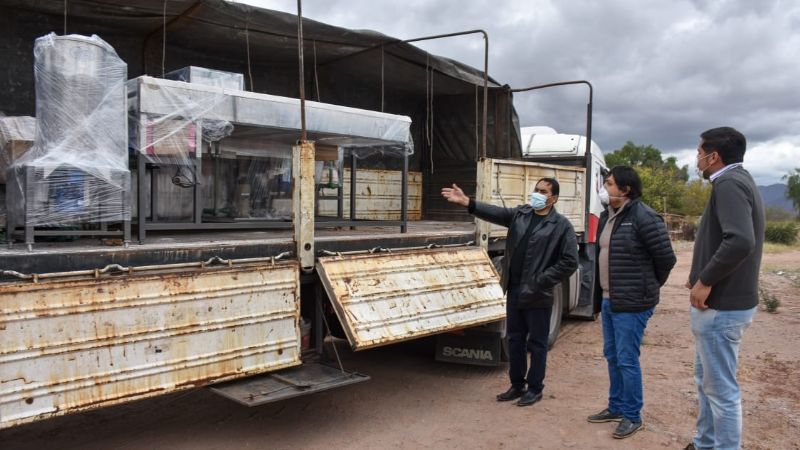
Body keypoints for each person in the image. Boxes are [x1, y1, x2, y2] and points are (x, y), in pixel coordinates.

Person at [441, 178, 578, 407]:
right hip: (514, 290)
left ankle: (535, 388)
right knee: (514, 340)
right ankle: (517, 385)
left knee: (537, 343)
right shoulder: (521, 214)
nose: (537, 194)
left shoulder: (561, 226)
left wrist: (541, 281)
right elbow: (496, 213)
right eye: (536, 189)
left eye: (543, 191)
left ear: (553, 198)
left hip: (538, 293)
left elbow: (569, 261)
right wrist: (468, 202)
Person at [684, 127, 764, 450]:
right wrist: (698, 273)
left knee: (721, 392)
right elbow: (726, 238)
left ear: (713, 156)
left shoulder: (729, 183)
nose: (697, 158)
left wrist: (706, 280)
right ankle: (704, 443)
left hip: (721, 308)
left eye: (700, 152)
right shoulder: (737, 180)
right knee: (708, 384)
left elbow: (741, 240)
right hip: (724, 305)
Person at [587, 166, 676, 439]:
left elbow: (666, 260)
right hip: (609, 300)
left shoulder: (644, 217)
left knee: (627, 359)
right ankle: (615, 407)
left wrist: (646, 289)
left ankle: (632, 415)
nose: (605, 188)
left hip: (632, 303)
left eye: (610, 184)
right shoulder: (607, 216)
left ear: (625, 189)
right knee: (612, 356)